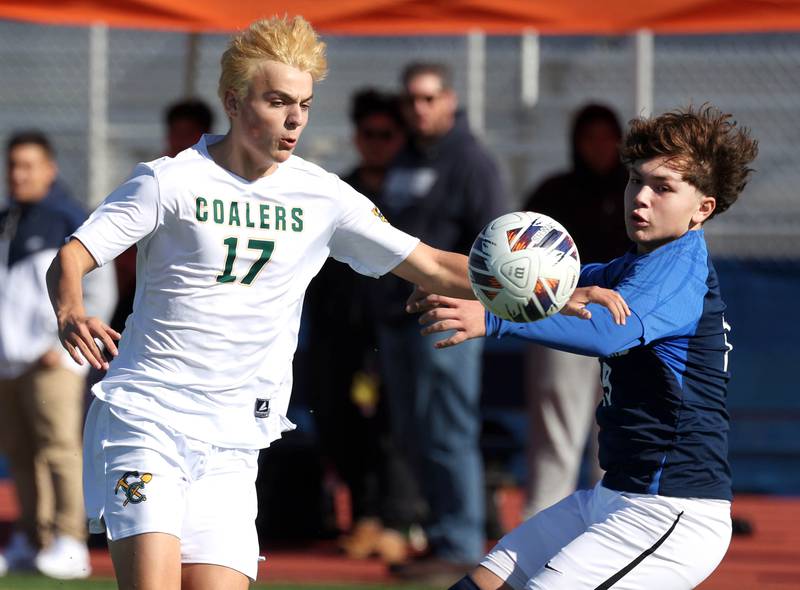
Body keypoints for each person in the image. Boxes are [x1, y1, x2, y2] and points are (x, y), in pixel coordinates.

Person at [45, 16, 496, 590]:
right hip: (148, 419)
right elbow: (74, 254)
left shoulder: (323, 195)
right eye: (278, 101)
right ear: (234, 102)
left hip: (235, 443)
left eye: (304, 104)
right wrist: (70, 310)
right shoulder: (170, 181)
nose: (295, 120)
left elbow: (432, 265)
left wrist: (559, 290)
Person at [412, 104, 758, 589]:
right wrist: (460, 281)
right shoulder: (632, 266)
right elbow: (540, 284)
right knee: (483, 584)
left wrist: (493, 319)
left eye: (663, 187)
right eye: (636, 180)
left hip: (671, 511)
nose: (641, 197)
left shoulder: (680, 270)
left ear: (704, 208)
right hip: (611, 495)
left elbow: (608, 332)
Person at [372, 61, 509, 582]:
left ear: (450, 101)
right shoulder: (405, 156)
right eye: (411, 100)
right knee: (413, 432)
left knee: (448, 428)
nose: (419, 109)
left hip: (447, 317)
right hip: (398, 318)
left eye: (429, 99)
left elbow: (495, 242)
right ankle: (438, 534)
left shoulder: (472, 161)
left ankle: (461, 542)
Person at [305, 88, 419, 564]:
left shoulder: (413, 190)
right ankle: (365, 517)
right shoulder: (341, 189)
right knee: (337, 421)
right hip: (339, 330)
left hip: (398, 326)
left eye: (386, 134)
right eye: (368, 134)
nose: (376, 143)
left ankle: (398, 521)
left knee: (395, 428)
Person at [0, 131, 117, 579]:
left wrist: (63, 346)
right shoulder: (8, 218)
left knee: (59, 448)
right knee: (19, 453)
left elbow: (99, 285)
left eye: (28, 166)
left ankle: (71, 542)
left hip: (53, 359)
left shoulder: (69, 217)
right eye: (13, 165)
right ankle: (32, 539)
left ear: (50, 169)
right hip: (9, 363)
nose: (18, 174)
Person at [521, 104, 631, 518]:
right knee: (556, 432)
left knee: (616, 434)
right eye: (590, 138)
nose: (600, 147)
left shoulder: (638, 191)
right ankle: (540, 523)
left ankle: (612, 523)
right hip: (562, 323)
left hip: (623, 325)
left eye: (608, 137)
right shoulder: (553, 193)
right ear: (576, 143)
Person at [110, 98, 215, 336]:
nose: (179, 141)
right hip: (146, 291)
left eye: (188, 133)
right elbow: (123, 252)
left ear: (205, 135)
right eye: (174, 133)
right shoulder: (152, 178)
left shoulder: (219, 182)